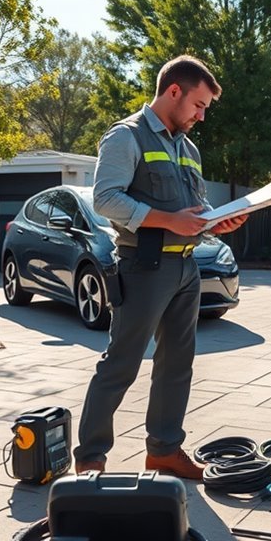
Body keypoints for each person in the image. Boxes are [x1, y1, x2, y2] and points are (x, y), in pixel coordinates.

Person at [74, 55, 246, 479]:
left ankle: (165, 451)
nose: (201, 116)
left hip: (187, 270)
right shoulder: (126, 137)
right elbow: (106, 200)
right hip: (143, 268)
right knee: (121, 365)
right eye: (198, 105)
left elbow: (195, 209)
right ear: (174, 91)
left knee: (177, 365)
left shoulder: (187, 147)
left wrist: (216, 223)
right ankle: (90, 458)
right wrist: (170, 220)